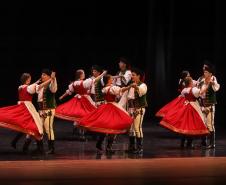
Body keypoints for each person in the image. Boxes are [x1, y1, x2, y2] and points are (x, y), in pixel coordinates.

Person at [78, 74, 133, 154]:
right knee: (112, 127)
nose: (112, 80)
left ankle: (101, 144)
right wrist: (129, 86)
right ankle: (108, 147)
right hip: (112, 107)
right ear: (108, 80)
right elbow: (121, 90)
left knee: (107, 126)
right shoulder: (111, 88)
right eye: (111, 79)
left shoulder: (105, 88)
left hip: (106, 106)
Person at [0, 73, 43, 152]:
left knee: (25, 125)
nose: (30, 80)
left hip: (21, 106)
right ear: (27, 79)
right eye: (29, 79)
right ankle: (36, 147)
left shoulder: (20, 87)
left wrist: (36, 82)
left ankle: (17, 142)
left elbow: (28, 87)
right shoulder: (29, 87)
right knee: (33, 125)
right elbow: (33, 88)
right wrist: (47, 81)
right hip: (28, 107)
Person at [159, 77, 209, 145]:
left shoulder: (184, 90)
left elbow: (181, 97)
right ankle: (190, 143)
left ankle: (183, 142)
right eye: (192, 81)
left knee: (185, 124)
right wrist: (207, 86)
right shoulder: (193, 89)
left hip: (185, 107)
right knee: (193, 124)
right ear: (190, 83)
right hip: (193, 107)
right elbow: (201, 92)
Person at [36, 69, 57, 154]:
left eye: (44, 75)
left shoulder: (51, 85)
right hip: (41, 110)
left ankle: (51, 148)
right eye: (42, 74)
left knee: (48, 128)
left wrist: (53, 79)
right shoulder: (41, 85)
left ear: (49, 76)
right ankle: (40, 148)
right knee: (39, 128)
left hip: (49, 109)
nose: (42, 76)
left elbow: (54, 89)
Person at [198, 65, 220, 149]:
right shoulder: (201, 79)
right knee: (203, 124)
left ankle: (212, 144)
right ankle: (203, 142)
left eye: (206, 72)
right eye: (204, 71)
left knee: (210, 124)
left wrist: (212, 82)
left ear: (210, 73)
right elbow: (198, 89)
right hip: (202, 105)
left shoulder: (213, 79)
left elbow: (216, 88)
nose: (204, 73)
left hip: (210, 105)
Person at [127, 68, 148, 154]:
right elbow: (128, 97)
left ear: (138, 76)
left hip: (139, 109)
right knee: (131, 129)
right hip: (131, 109)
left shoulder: (143, 85)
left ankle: (140, 147)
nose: (132, 76)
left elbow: (141, 91)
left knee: (137, 127)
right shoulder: (131, 85)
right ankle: (132, 147)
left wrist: (135, 87)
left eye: (134, 75)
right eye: (131, 75)